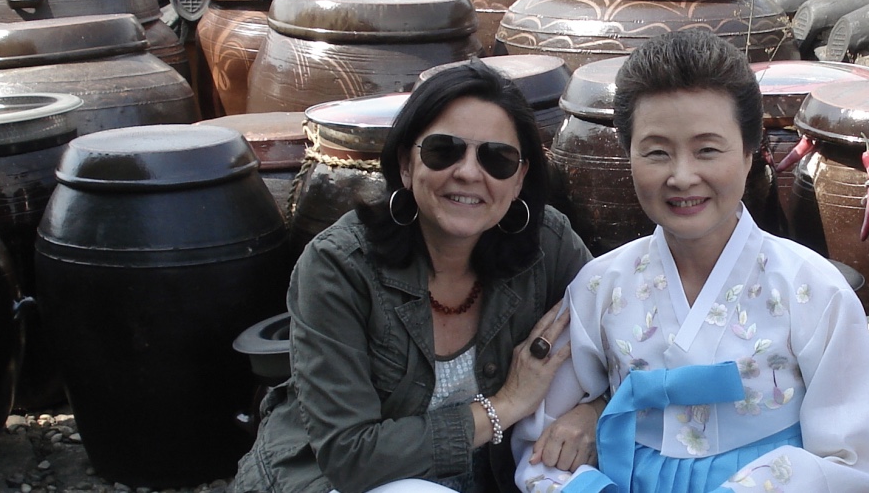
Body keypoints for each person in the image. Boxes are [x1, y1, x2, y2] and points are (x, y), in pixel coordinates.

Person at [513, 30, 869, 492]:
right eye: (656, 152)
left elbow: (856, 464)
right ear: (628, 154)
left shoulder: (813, 290)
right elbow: (540, 449)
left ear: (750, 151)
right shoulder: (599, 288)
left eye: (707, 150)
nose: (682, 176)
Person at [230, 60, 599, 493]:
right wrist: (504, 406)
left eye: (497, 158)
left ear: (519, 179)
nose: (468, 172)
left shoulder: (547, 245)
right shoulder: (340, 267)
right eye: (444, 151)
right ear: (406, 164)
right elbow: (353, 456)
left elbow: (631, 340)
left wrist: (593, 415)